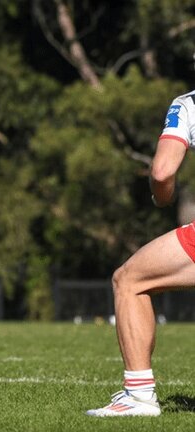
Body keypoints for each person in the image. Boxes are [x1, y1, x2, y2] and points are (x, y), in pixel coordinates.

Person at [86, 92, 195, 417]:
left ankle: (139, 395)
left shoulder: (188, 105)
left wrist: (161, 197)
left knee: (129, 280)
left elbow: (162, 172)